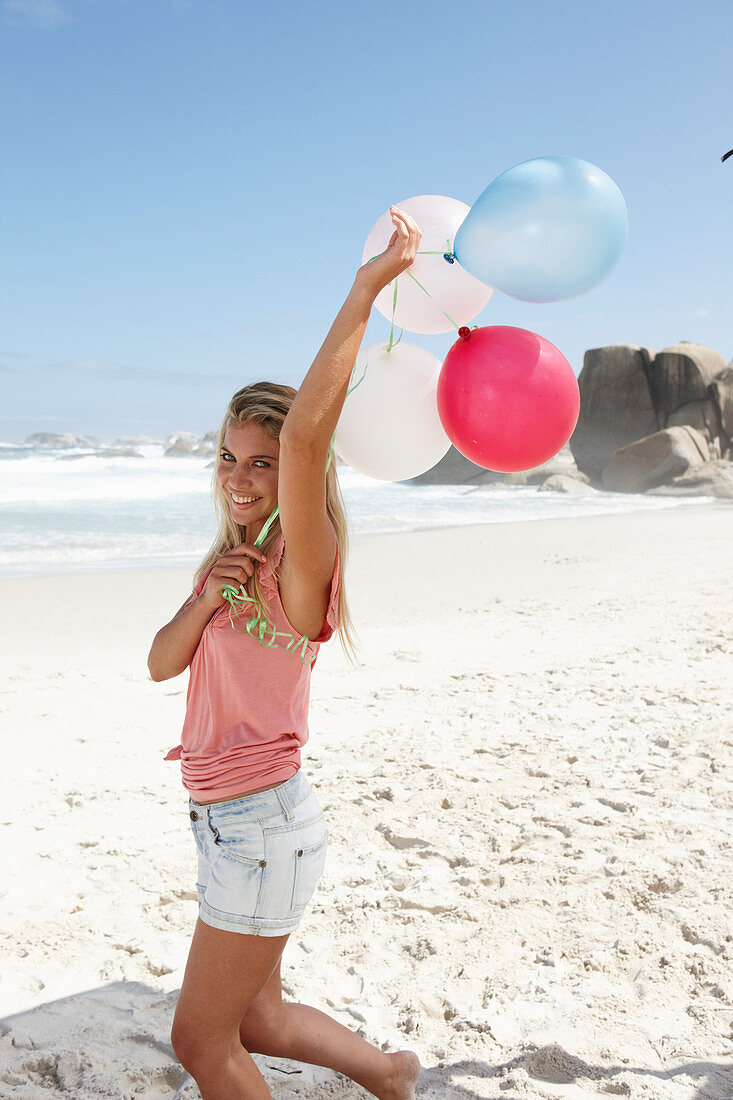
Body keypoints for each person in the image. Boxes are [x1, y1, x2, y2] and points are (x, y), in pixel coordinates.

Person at [147, 207, 423, 1100]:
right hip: (231, 822)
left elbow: (309, 433)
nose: (239, 476)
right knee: (257, 1020)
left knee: (202, 1043)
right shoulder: (231, 568)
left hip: (260, 827)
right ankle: (388, 1073)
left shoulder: (302, 570)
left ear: (294, 476)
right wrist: (203, 597)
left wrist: (366, 288)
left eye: (261, 464)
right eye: (228, 458)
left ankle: (386, 1072)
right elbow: (159, 664)